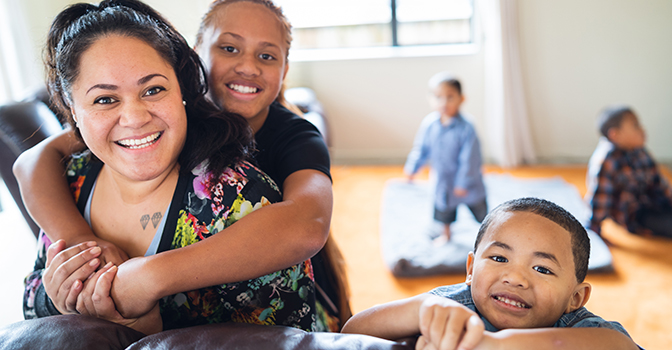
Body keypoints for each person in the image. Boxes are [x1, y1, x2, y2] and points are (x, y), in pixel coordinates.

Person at [15, 0, 349, 331]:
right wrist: (74, 255)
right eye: (105, 99)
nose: (134, 118)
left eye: (153, 90)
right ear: (196, 57)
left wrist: (147, 281)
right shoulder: (82, 169)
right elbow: (32, 161)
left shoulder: (279, 153)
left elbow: (307, 224)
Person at [341, 198, 641, 350]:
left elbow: (618, 345)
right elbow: (351, 333)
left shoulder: (577, 326)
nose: (515, 278)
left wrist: (494, 345)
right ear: (470, 269)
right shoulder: (454, 305)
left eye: (542, 268)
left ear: (576, 297)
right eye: (499, 258)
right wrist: (422, 310)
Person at [404, 72, 487, 244]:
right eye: (438, 97)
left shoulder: (467, 127)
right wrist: (412, 168)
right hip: (443, 179)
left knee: (480, 211)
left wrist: (463, 183)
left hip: (467, 182)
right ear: (430, 99)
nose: (444, 103)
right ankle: (446, 234)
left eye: (450, 97)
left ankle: (489, 234)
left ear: (461, 99)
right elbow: (421, 148)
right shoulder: (430, 124)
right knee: (444, 209)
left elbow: (470, 159)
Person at [585, 105, 672, 238]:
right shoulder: (606, 161)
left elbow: (657, 181)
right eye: (636, 126)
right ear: (615, 135)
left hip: (653, 201)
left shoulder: (639, 150)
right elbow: (600, 199)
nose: (642, 129)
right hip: (635, 213)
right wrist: (595, 228)